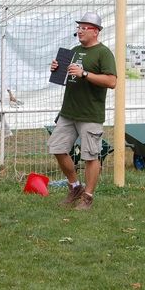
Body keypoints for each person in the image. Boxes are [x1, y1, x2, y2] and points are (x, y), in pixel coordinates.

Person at [48, 12, 117, 210]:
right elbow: (65, 78)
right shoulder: (74, 50)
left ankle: (87, 196)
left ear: (95, 31)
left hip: (90, 114)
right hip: (68, 112)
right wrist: (56, 69)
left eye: (84, 27)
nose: (80, 30)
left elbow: (112, 81)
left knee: (90, 156)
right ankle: (75, 186)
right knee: (57, 148)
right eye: (79, 27)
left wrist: (85, 73)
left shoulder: (103, 53)